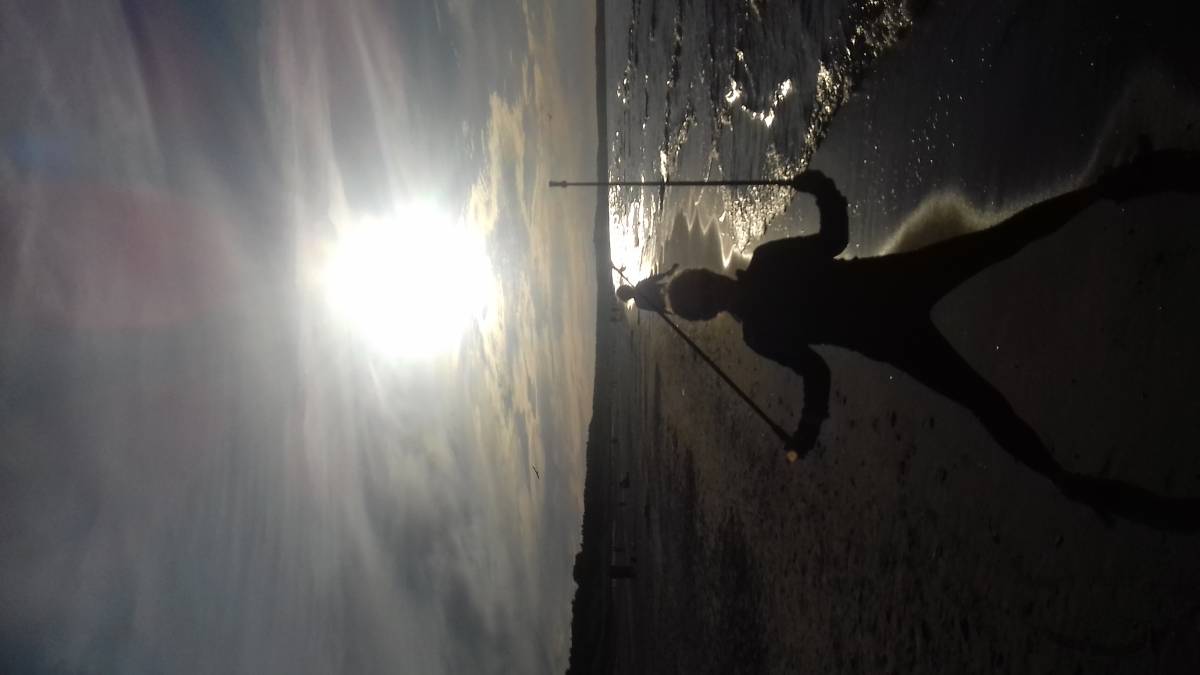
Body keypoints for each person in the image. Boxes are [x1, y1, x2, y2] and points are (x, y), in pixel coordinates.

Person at [665, 153, 1200, 531]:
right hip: (898, 291)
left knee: (979, 390)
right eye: (704, 290)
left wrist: (806, 431)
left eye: (703, 284)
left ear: (709, 305)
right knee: (999, 253)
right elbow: (834, 246)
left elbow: (817, 366)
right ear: (709, 300)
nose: (712, 286)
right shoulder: (765, 277)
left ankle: (1062, 478)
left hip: (890, 330)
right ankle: (1110, 188)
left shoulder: (758, 329)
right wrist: (822, 189)